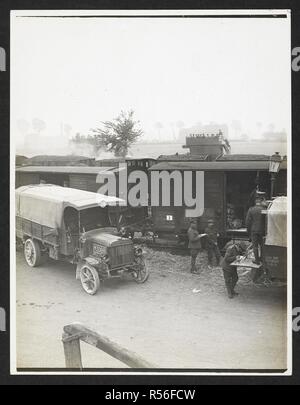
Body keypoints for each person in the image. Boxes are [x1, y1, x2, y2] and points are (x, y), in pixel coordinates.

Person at [245, 196, 265, 264]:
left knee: (255, 246)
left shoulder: (251, 209)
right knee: (262, 245)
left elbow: (247, 222)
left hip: (254, 230)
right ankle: (262, 258)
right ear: (261, 201)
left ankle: (257, 260)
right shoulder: (264, 209)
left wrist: (248, 232)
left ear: (255, 201)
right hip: (262, 231)